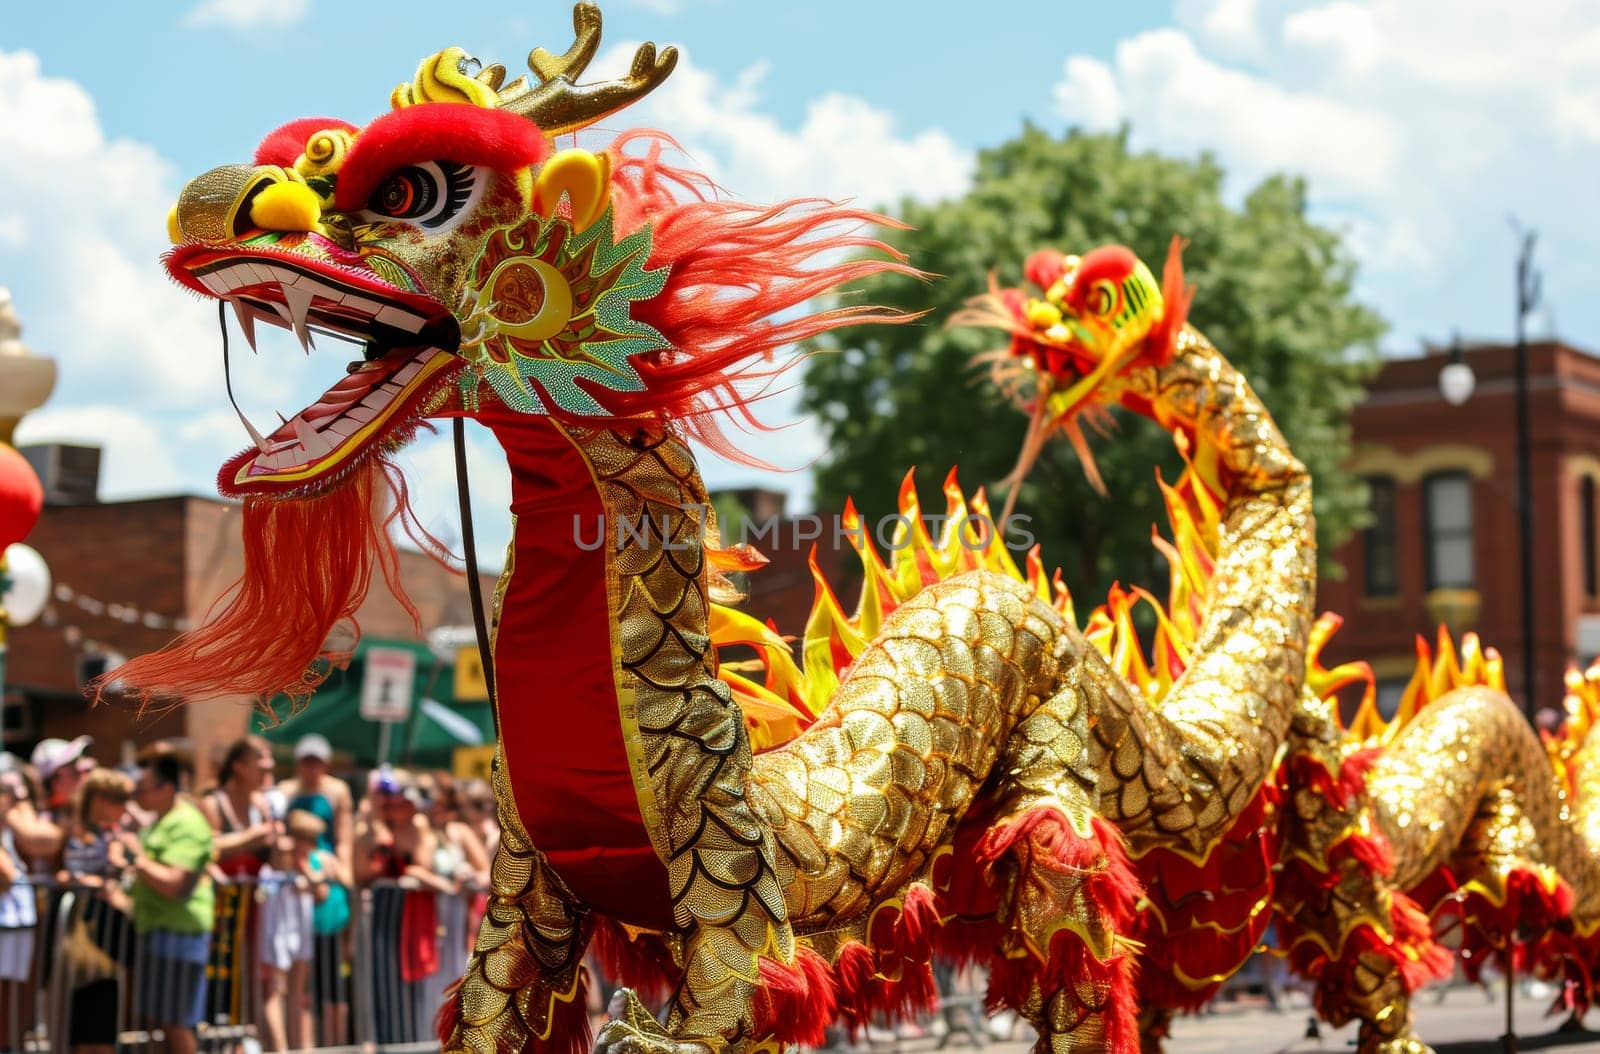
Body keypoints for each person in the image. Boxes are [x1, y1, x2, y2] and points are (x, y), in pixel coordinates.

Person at [116, 742, 214, 1054]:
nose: (138, 795)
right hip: (160, 930)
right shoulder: (161, 820)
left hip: (179, 934)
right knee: (163, 1020)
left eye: (143, 788)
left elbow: (175, 885)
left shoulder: (186, 823)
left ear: (166, 787)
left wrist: (137, 858)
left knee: (177, 1022)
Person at [199, 736, 276, 1028]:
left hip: (253, 914)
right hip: (218, 913)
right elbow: (206, 848)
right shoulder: (212, 804)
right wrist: (249, 838)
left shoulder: (262, 806)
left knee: (253, 980)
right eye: (261, 759)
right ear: (239, 766)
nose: (268, 766)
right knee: (216, 977)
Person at [59, 767, 137, 1054]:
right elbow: (66, 873)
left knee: (105, 1007)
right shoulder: (72, 828)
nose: (124, 808)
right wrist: (93, 883)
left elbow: (122, 865)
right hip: (82, 931)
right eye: (118, 800)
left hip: (109, 934)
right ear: (101, 799)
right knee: (82, 1009)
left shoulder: (117, 834)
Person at [0, 761, 37, 1049]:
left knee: (16, 998)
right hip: (5, 924)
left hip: (17, 922)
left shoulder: (9, 830)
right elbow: (7, 876)